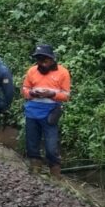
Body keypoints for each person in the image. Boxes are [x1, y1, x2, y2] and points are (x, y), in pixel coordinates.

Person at [21, 44, 71, 176]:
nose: (42, 63)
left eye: (45, 60)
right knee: (32, 144)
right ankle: (35, 170)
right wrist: (32, 93)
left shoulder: (63, 72)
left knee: (51, 146)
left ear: (52, 59)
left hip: (50, 113)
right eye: (39, 60)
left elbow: (66, 95)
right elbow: (25, 89)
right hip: (32, 111)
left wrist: (52, 94)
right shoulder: (32, 71)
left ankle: (55, 174)